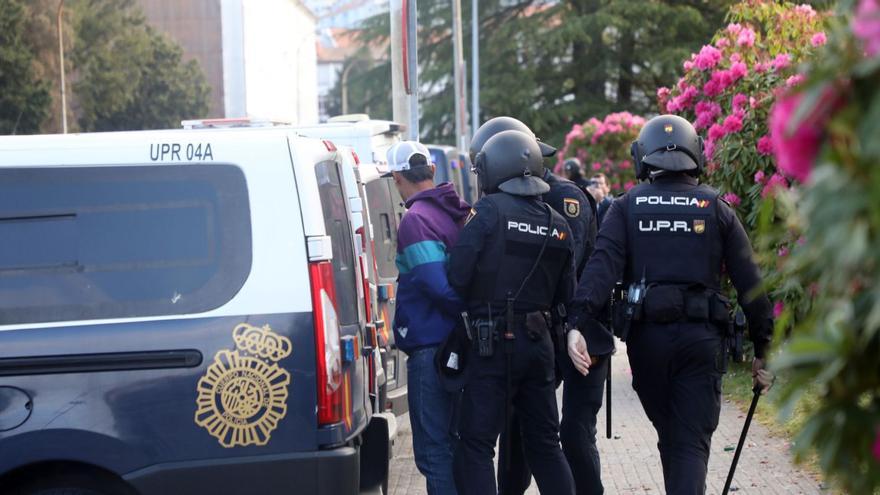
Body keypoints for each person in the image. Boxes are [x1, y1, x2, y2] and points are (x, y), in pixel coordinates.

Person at [566, 115, 775, 494]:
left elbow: (600, 268)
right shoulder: (716, 208)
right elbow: (752, 285)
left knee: (676, 440)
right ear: (695, 154)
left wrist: (577, 323)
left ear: (643, 157)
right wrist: (764, 349)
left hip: (649, 347)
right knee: (687, 444)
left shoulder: (627, 207)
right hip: (701, 345)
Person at [466, 116, 600, 495]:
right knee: (536, 441)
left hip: (525, 338)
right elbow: (566, 282)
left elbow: (460, 273)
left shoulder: (509, 208)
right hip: (543, 338)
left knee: (486, 442)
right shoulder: (547, 213)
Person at [384, 140, 470, 495]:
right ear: (433, 171)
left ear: (396, 178)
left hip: (431, 350)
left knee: (433, 452)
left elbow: (438, 286)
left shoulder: (416, 220)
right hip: (459, 348)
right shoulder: (458, 212)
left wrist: (463, 309)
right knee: (455, 444)